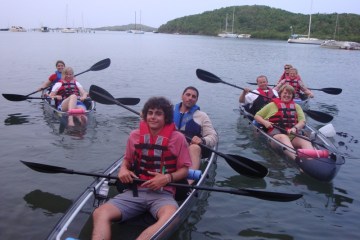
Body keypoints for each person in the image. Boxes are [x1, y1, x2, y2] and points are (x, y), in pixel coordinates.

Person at [92, 97, 192, 240]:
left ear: (166, 117)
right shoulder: (135, 135)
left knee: (171, 218)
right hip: (136, 191)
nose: (153, 117)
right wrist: (123, 170)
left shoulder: (178, 139)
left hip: (163, 194)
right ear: (145, 115)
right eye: (150, 113)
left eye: (158, 113)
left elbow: (184, 169)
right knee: (100, 213)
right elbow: (127, 160)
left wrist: (167, 178)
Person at [254, 85, 314, 160]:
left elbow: (302, 121)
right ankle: (298, 160)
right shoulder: (271, 105)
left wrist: (295, 128)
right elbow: (257, 116)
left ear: (292, 96)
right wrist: (265, 122)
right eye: (285, 93)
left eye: (289, 94)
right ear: (281, 94)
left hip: (292, 135)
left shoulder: (297, 106)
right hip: (276, 136)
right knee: (283, 137)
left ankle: (311, 159)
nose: (287, 95)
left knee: (305, 139)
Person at [173, 86, 218, 177]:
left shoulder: (202, 116)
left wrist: (202, 140)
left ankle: (189, 184)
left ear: (196, 100)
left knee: (195, 148)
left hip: (190, 150)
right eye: (188, 95)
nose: (190, 98)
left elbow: (213, 136)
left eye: (194, 96)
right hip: (171, 147)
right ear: (182, 96)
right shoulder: (168, 112)